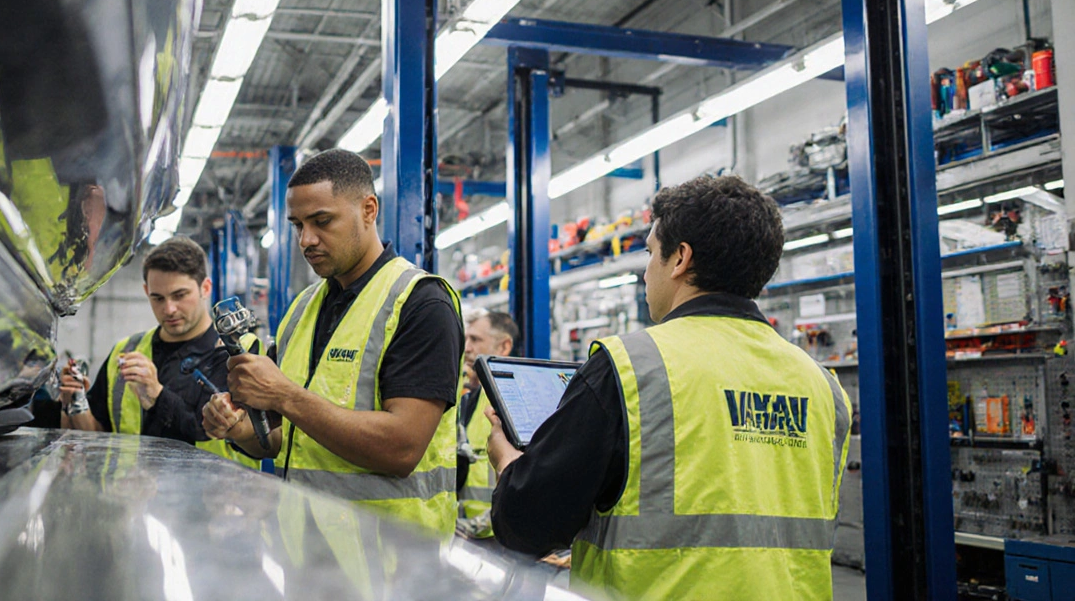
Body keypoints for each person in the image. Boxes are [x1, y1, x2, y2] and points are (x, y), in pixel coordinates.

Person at [486, 175, 851, 600]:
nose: (645, 273)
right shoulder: (823, 386)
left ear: (679, 259)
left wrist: (508, 462)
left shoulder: (629, 368)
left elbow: (527, 526)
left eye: (648, 253)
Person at [202, 149, 464, 536]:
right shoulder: (301, 312)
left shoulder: (421, 303)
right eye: (297, 225)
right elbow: (285, 441)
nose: (306, 240)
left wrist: (284, 395)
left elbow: (402, 448)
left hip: (395, 570)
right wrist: (238, 430)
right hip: (309, 560)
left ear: (368, 210)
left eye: (322, 221)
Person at [60, 237, 254, 465]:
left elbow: (212, 433)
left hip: (211, 496)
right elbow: (98, 437)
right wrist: (74, 401)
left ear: (205, 288)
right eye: (158, 298)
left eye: (180, 295)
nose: (169, 309)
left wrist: (157, 395)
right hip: (131, 495)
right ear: (146, 291)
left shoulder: (238, 353)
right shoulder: (125, 351)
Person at [456, 309, 517, 540]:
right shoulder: (469, 395)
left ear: (503, 347)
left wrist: (476, 525)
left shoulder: (510, 402)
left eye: (476, 340)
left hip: (497, 537)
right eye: (466, 339)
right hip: (467, 535)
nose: (467, 348)